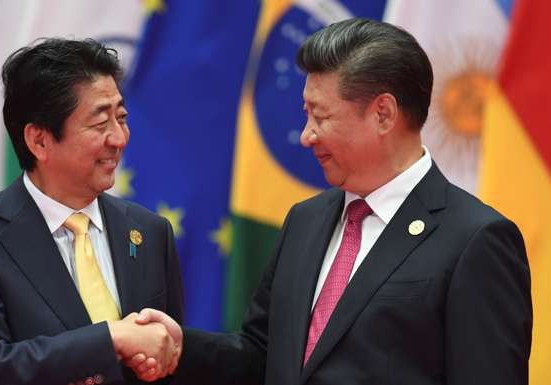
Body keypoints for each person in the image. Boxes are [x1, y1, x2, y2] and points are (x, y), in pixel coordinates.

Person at [136, 18, 533, 385]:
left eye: (320, 117)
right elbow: (265, 355)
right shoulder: (306, 220)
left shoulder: (475, 239)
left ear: (383, 114)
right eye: (306, 114)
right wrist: (182, 347)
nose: (307, 136)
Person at [0, 38, 184, 385]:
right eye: (99, 123)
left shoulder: (149, 231)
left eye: (121, 118)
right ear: (39, 141)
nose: (119, 138)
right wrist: (111, 339)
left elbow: (168, 358)